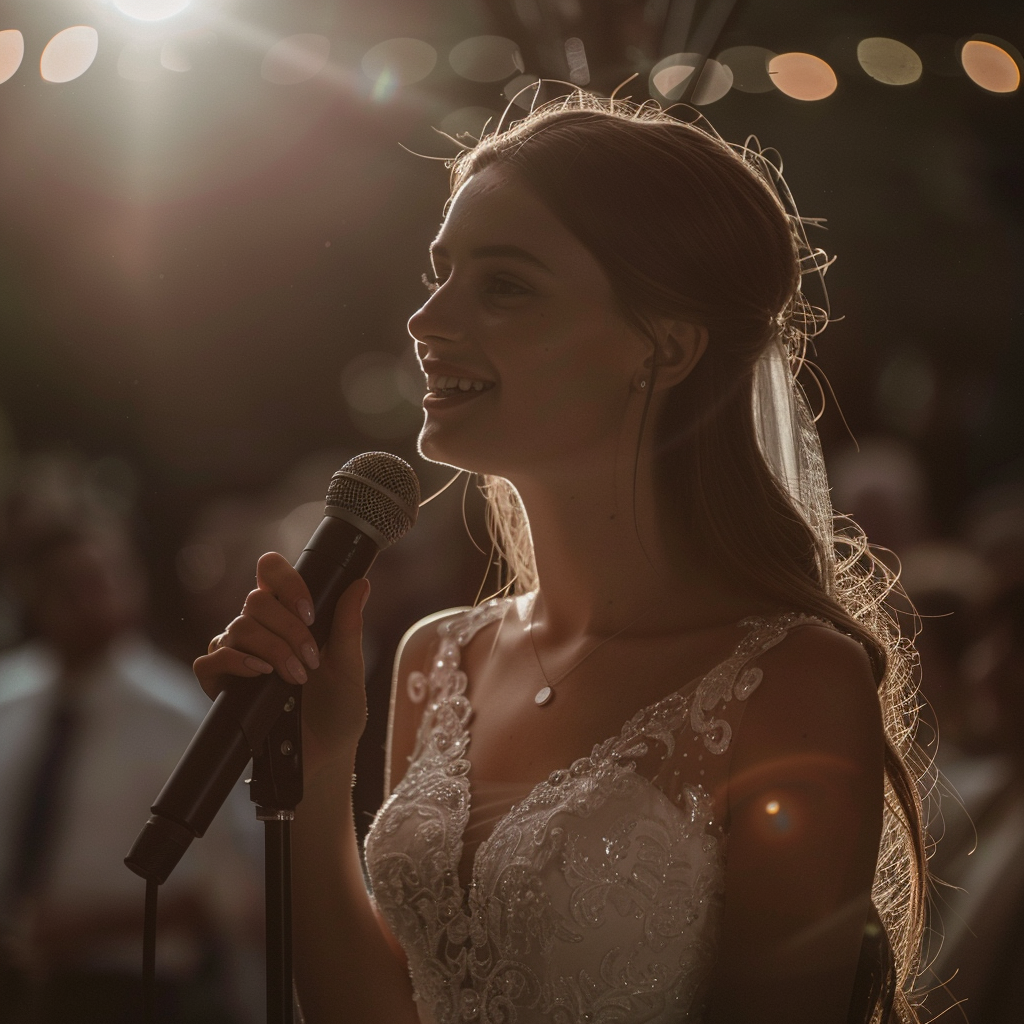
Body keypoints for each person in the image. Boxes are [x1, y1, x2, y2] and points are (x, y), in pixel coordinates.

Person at [196, 93, 930, 1023]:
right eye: (439, 273)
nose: (426, 320)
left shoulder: (790, 682)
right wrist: (314, 760)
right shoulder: (435, 660)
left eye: (503, 285)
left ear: (664, 346)